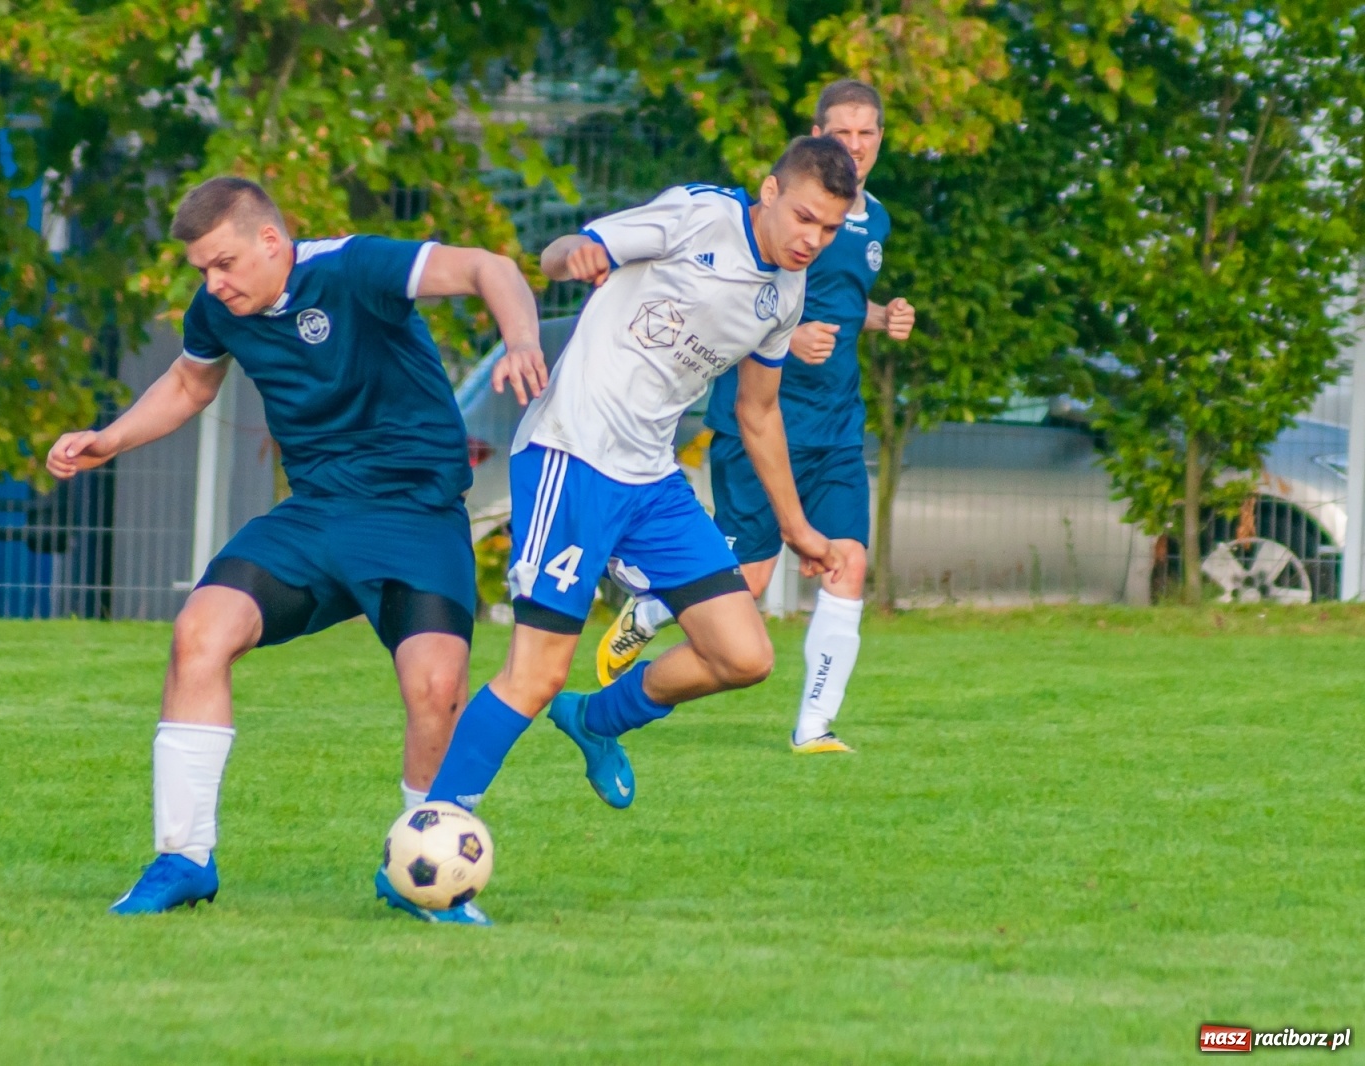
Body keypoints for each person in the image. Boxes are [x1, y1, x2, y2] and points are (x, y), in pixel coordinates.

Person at [45, 177, 546, 922]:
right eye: (201, 272)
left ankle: (422, 877)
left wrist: (522, 339)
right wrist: (107, 439)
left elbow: (490, 269)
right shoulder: (219, 309)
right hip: (314, 518)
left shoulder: (354, 269)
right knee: (199, 636)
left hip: (414, 516)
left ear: (270, 242)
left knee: (436, 689)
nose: (213, 284)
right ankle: (182, 859)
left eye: (223, 264)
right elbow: (189, 382)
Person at [398, 137, 859, 922]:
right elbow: (563, 251)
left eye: (830, 228)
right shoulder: (697, 217)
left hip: (652, 480)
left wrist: (798, 528)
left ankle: (597, 719)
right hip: (572, 457)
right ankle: (422, 854)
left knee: (744, 655)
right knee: (534, 673)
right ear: (769, 190)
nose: (812, 239)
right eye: (805, 217)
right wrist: (574, 253)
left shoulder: (786, 296)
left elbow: (756, 411)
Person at [595, 79, 915, 754]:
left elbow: (841, 298)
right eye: (842, 133)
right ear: (817, 135)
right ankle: (654, 605)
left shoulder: (874, 219)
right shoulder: (779, 210)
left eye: (868, 134)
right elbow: (745, 298)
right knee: (750, 581)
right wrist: (784, 335)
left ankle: (814, 729)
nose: (855, 147)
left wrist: (881, 317)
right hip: (763, 421)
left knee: (848, 564)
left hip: (834, 426)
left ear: (881, 139)